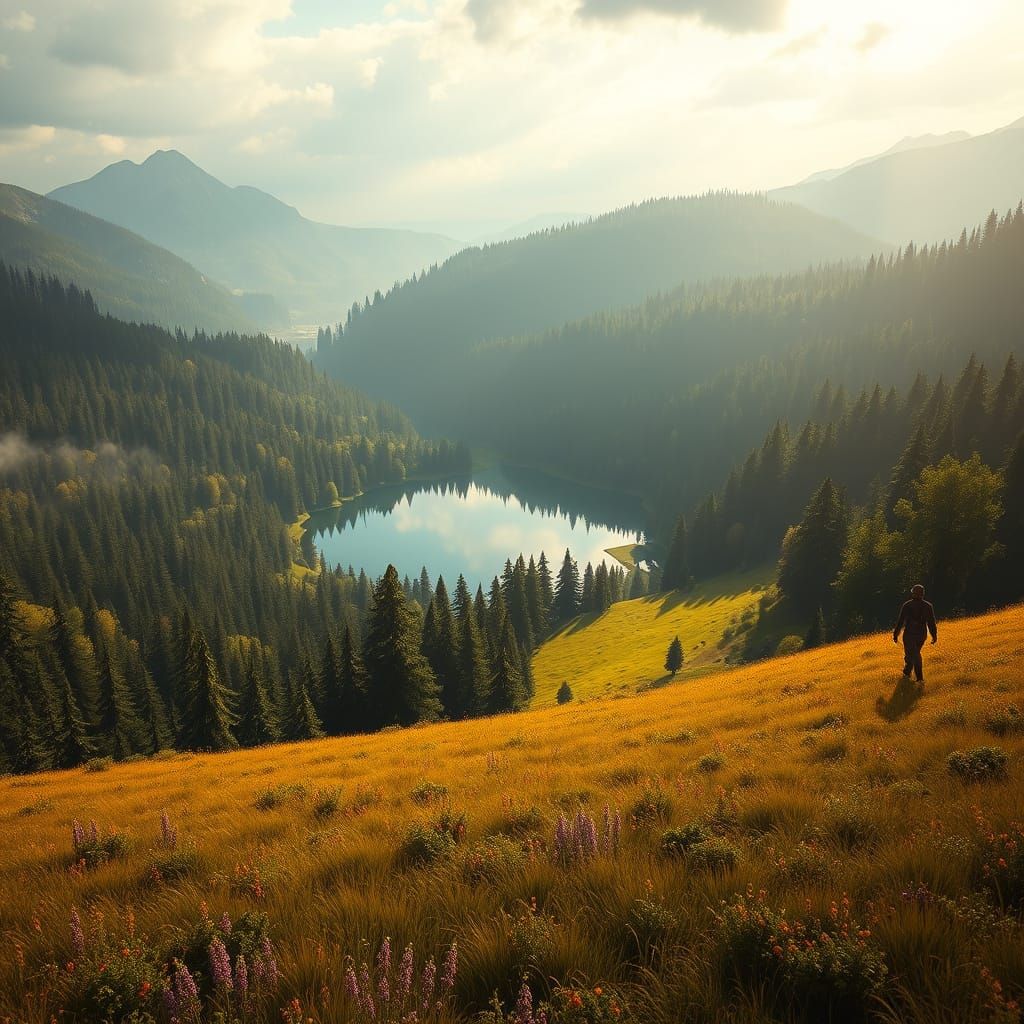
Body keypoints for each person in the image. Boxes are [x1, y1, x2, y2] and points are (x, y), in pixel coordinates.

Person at [892, 584, 937, 682]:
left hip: (909, 635)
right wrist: (934, 636)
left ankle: (918, 678)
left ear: (913, 593)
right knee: (913, 654)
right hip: (922, 635)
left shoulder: (907, 605)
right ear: (923, 594)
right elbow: (931, 623)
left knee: (913, 655)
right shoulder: (928, 606)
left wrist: (895, 634)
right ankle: (907, 674)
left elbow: (900, 621)